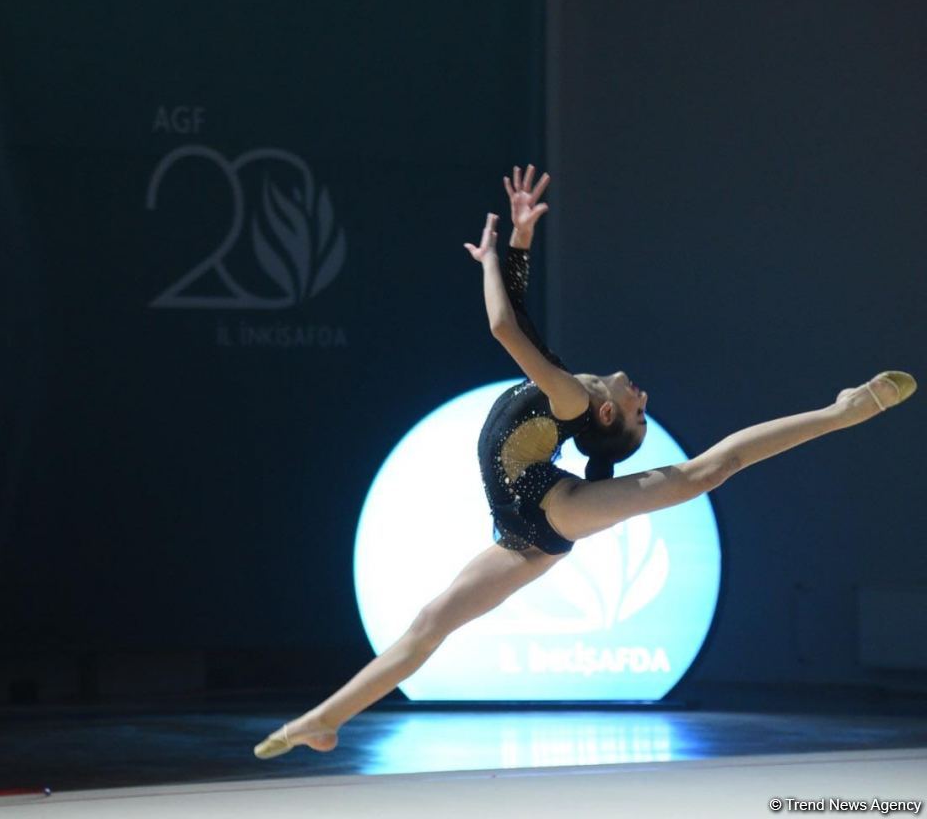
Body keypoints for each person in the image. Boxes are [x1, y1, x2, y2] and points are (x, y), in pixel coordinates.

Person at [254, 165, 916, 759]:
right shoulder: (566, 388)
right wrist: (515, 241)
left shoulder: (568, 397)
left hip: (549, 510)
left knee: (707, 473)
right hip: (521, 532)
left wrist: (491, 261)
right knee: (427, 626)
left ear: (603, 416)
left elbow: (504, 329)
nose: (641, 398)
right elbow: (522, 324)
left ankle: (843, 410)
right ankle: (321, 721)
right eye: (642, 410)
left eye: (637, 413)